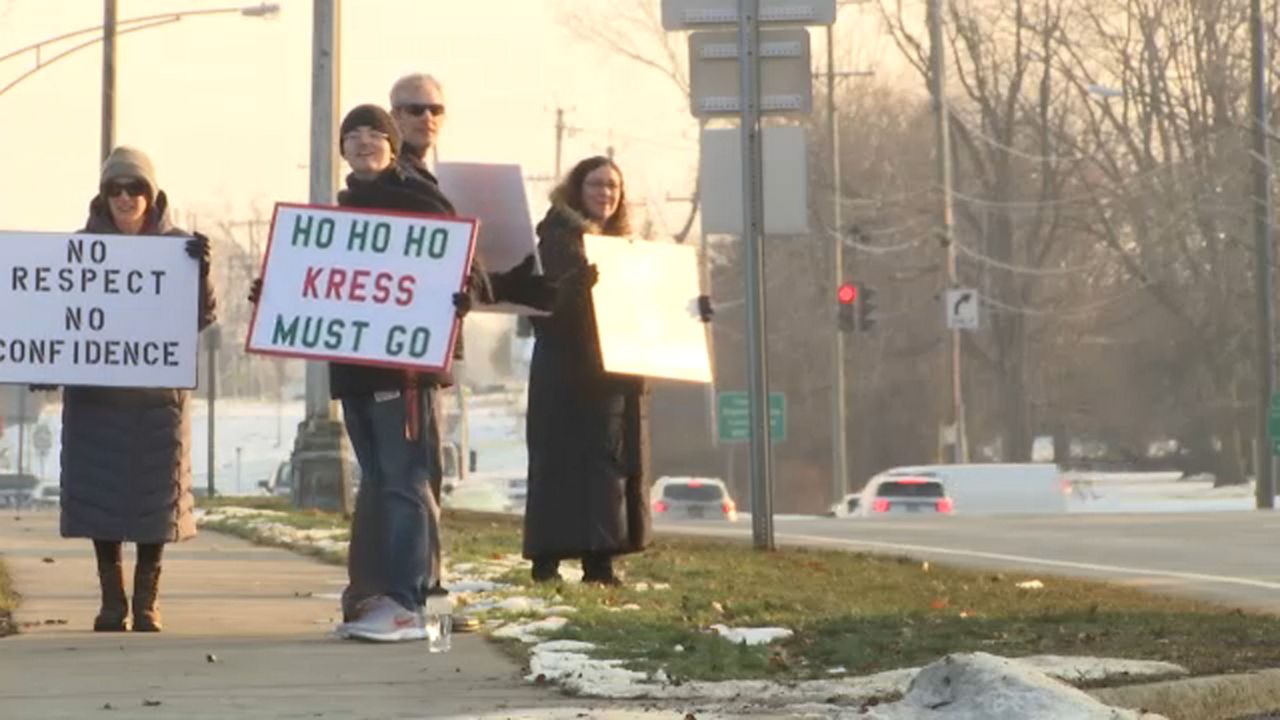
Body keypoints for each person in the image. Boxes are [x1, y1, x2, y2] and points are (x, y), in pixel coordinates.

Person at [522, 156, 712, 585]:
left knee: (609, 468)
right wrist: (574, 287)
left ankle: (601, 561)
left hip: (616, 377)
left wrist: (690, 310)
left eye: (613, 186)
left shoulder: (630, 250)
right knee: (561, 465)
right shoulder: (554, 239)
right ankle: (547, 561)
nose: (605, 193)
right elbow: (539, 307)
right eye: (596, 184)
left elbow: (652, 310)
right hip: (566, 375)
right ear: (577, 189)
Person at [50, 146, 216, 631]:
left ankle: (147, 601)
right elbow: (54, 317)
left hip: (156, 403)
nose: (126, 197)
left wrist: (201, 272)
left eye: (135, 188)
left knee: (152, 504)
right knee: (99, 500)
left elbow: (202, 318)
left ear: (152, 194)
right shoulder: (77, 250)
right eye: (115, 189)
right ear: (103, 197)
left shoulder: (180, 247)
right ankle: (110, 600)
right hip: (96, 402)